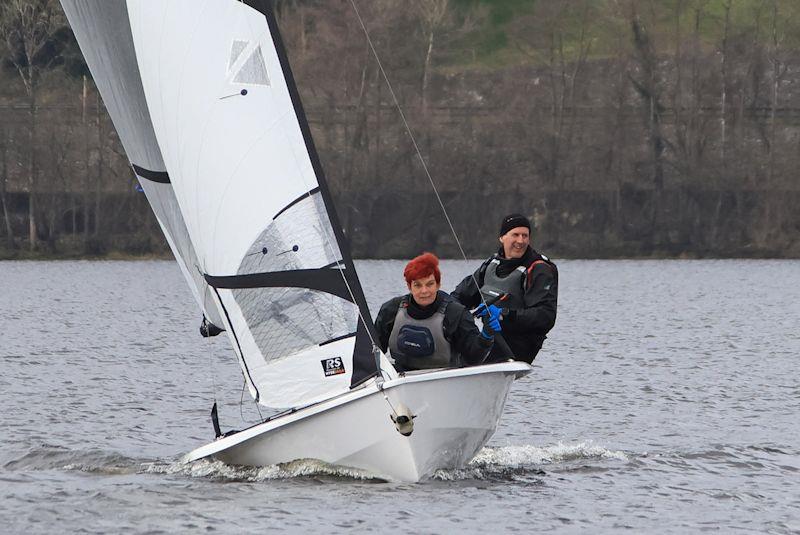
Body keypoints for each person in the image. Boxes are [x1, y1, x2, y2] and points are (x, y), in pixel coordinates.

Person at [451, 213, 557, 364]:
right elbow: (459, 296)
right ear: (502, 237)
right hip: (488, 338)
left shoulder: (539, 269)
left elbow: (546, 316)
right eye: (515, 235)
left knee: (466, 358)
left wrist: (504, 314)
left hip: (519, 346)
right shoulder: (491, 264)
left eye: (525, 236)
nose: (521, 241)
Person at [374, 252, 502, 372]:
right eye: (417, 285)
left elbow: (474, 359)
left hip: (445, 378)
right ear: (409, 287)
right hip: (402, 378)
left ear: (438, 284)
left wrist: (486, 336)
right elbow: (373, 351)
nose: (424, 291)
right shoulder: (391, 310)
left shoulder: (456, 313)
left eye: (429, 284)